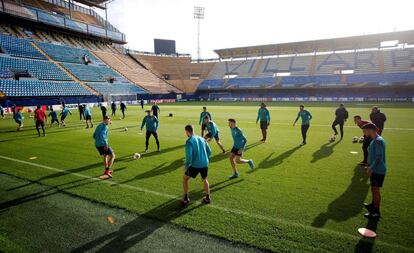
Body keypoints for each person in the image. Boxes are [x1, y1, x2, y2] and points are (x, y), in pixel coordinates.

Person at [182, 124, 212, 205]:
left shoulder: (189, 141)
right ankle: (208, 197)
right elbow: (209, 151)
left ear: (187, 131)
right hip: (205, 163)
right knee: (204, 179)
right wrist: (205, 159)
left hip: (195, 165)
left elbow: (189, 156)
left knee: (185, 179)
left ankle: (185, 198)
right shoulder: (201, 138)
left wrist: (187, 166)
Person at [362, 123, 387, 220]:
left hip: (378, 170)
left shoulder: (378, 141)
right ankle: (373, 205)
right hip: (374, 169)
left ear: (370, 130)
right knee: (373, 189)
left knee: (376, 191)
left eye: (365, 131)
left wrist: (370, 167)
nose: (364, 133)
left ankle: (376, 213)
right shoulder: (374, 140)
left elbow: (379, 157)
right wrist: (368, 165)